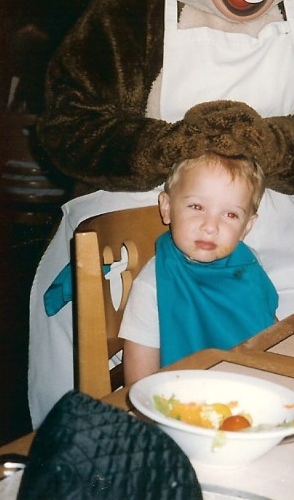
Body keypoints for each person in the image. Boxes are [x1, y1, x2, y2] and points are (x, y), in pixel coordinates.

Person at [119, 153, 278, 384]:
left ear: (247, 226)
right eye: (196, 206)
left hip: (249, 387)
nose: (210, 226)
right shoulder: (153, 286)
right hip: (182, 401)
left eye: (230, 214)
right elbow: (138, 384)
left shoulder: (248, 262)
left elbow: (269, 326)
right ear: (166, 207)